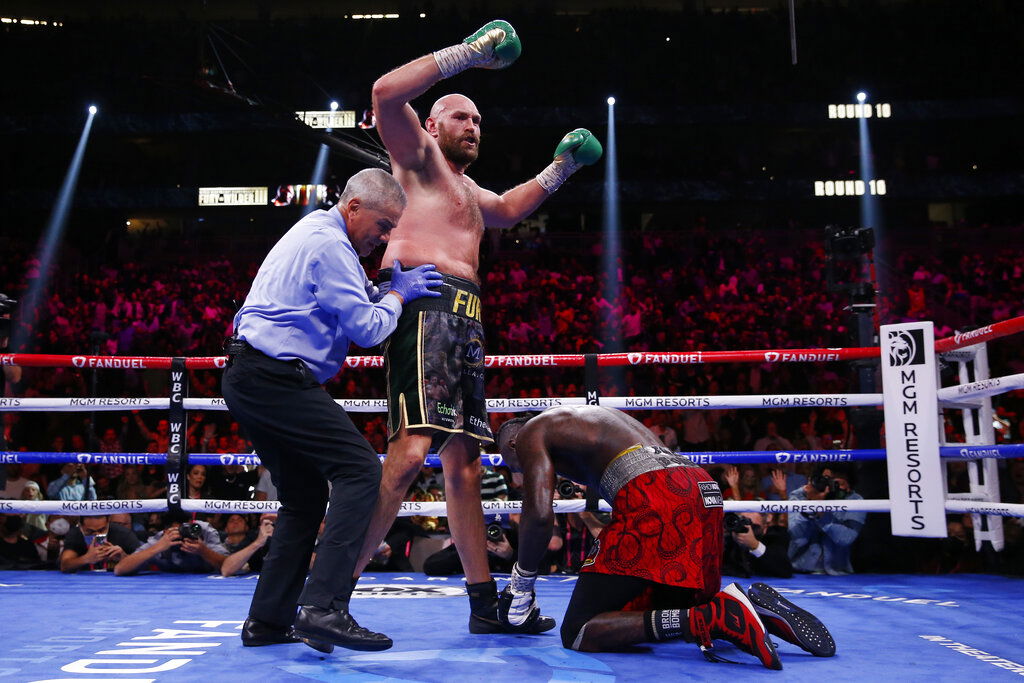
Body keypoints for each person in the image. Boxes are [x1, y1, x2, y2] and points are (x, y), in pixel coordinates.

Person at [355, 19, 602, 635]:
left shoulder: (466, 190)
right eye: (462, 117)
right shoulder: (414, 159)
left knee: (464, 464)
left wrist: (562, 166)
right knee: (411, 452)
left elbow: (512, 209)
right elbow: (386, 91)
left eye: (479, 122)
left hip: (466, 318)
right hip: (423, 303)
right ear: (433, 125)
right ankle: (330, 592)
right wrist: (470, 54)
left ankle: (484, 606)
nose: (474, 127)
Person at [221, 168, 442, 654]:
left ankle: (267, 620)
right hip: (273, 376)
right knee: (361, 471)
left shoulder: (313, 231)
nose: (385, 238)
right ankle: (323, 606)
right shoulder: (331, 245)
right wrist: (398, 297)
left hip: (251, 376)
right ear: (355, 207)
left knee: (302, 500)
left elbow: (340, 298)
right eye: (383, 226)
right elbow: (367, 329)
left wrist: (381, 291)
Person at [496, 406, 836, 668]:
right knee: (647, 606)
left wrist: (520, 583)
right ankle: (753, 610)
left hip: (657, 496)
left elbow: (539, 517)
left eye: (512, 463)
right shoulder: (584, 422)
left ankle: (709, 616)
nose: (517, 471)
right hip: (699, 489)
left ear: (513, 441)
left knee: (579, 631)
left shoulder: (531, 433)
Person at [788, 465, 866, 576]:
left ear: (848, 483)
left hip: (837, 572)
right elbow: (797, 536)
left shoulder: (855, 500)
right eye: (826, 478)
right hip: (800, 570)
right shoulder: (800, 494)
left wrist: (822, 514)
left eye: (836, 480)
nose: (829, 484)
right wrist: (811, 506)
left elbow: (846, 538)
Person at [114, 517, 228, 575]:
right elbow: (120, 569)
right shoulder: (161, 539)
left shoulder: (203, 532)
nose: (181, 534)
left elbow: (230, 565)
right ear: (165, 531)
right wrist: (157, 548)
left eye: (184, 528)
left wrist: (204, 551)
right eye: (176, 530)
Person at [721, 511, 793, 579]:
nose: (748, 528)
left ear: (766, 522)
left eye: (753, 526)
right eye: (743, 522)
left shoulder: (777, 535)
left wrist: (755, 545)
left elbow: (785, 570)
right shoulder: (729, 537)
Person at [60, 514, 141, 573]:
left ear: (108, 523)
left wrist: (123, 557)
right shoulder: (75, 534)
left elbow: (144, 563)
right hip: (83, 582)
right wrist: (86, 559)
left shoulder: (123, 534)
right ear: (81, 526)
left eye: (102, 530)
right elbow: (65, 565)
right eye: (90, 531)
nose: (97, 534)